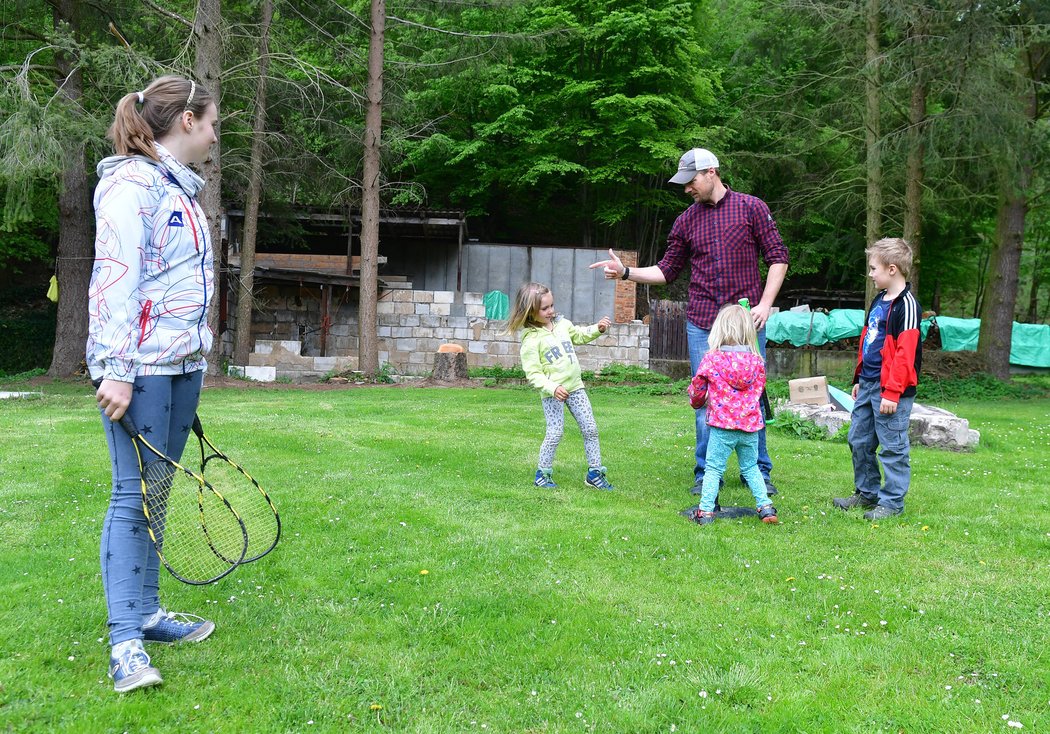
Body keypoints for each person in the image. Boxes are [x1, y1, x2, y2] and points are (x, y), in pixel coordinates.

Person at [88, 75, 220, 693]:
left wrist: (194, 355)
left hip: (180, 362)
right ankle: (125, 645)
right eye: (212, 121)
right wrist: (116, 367)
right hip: (137, 367)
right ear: (186, 121)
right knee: (129, 496)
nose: (216, 134)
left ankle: (149, 612)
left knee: (157, 492)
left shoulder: (179, 189)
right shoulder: (130, 185)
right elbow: (115, 278)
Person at [591, 147, 789, 500]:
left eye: (691, 180)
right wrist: (625, 272)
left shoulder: (752, 208)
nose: (687, 189)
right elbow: (666, 270)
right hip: (701, 324)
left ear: (711, 172)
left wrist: (765, 304)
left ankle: (757, 470)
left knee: (752, 396)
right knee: (704, 398)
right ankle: (706, 472)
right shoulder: (686, 221)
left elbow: (778, 257)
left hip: (745, 324)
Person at [834, 238, 922, 520]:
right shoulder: (878, 300)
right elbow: (869, 341)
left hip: (891, 391)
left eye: (874, 268)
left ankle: (892, 502)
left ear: (892, 269)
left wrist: (892, 393)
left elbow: (905, 356)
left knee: (893, 447)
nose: (870, 274)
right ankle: (867, 493)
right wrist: (859, 376)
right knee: (858, 439)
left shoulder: (906, 306)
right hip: (869, 384)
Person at [508, 282, 615, 490]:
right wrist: (552, 388)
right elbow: (533, 374)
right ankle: (543, 474)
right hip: (552, 394)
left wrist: (598, 328)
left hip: (576, 387)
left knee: (590, 428)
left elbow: (579, 335)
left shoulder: (563, 325)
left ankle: (594, 473)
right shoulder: (531, 341)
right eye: (545, 308)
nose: (551, 311)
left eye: (552, 305)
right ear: (531, 312)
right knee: (555, 433)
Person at [686, 304, 778, 525]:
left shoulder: (712, 359)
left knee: (714, 469)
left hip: (721, 426)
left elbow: (698, 388)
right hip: (749, 426)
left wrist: (697, 402)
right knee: (751, 467)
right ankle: (766, 508)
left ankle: (706, 511)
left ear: (720, 329)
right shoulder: (757, 362)